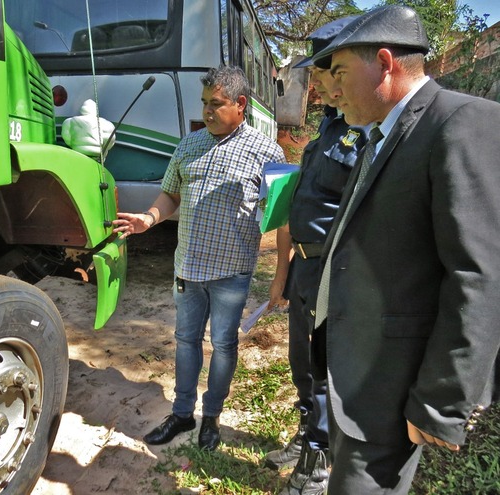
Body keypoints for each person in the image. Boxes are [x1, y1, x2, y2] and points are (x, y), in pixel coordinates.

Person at [306, 5, 500, 494]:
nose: (331, 90)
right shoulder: (379, 135)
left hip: (394, 388)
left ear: (386, 63)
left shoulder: (460, 123)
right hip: (358, 375)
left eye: (342, 73)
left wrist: (441, 403)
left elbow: (479, 274)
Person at [113, 65, 285, 451]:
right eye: (205, 103)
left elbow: (282, 216)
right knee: (186, 340)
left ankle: (211, 418)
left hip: (232, 273)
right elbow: (170, 194)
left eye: (217, 104)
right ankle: (181, 414)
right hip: (188, 269)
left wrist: (281, 275)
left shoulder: (267, 152)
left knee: (223, 346)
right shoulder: (188, 146)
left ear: (240, 104)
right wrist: (149, 218)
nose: (208, 111)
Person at [262, 17, 367, 495]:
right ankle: (306, 436)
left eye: (322, 73)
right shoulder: (327, 128)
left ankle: (318, 465)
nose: (315, 84)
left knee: (324, 369)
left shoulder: (366, 133)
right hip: (305, 266)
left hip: (332, 269)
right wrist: (282, 273)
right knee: (301, 363)